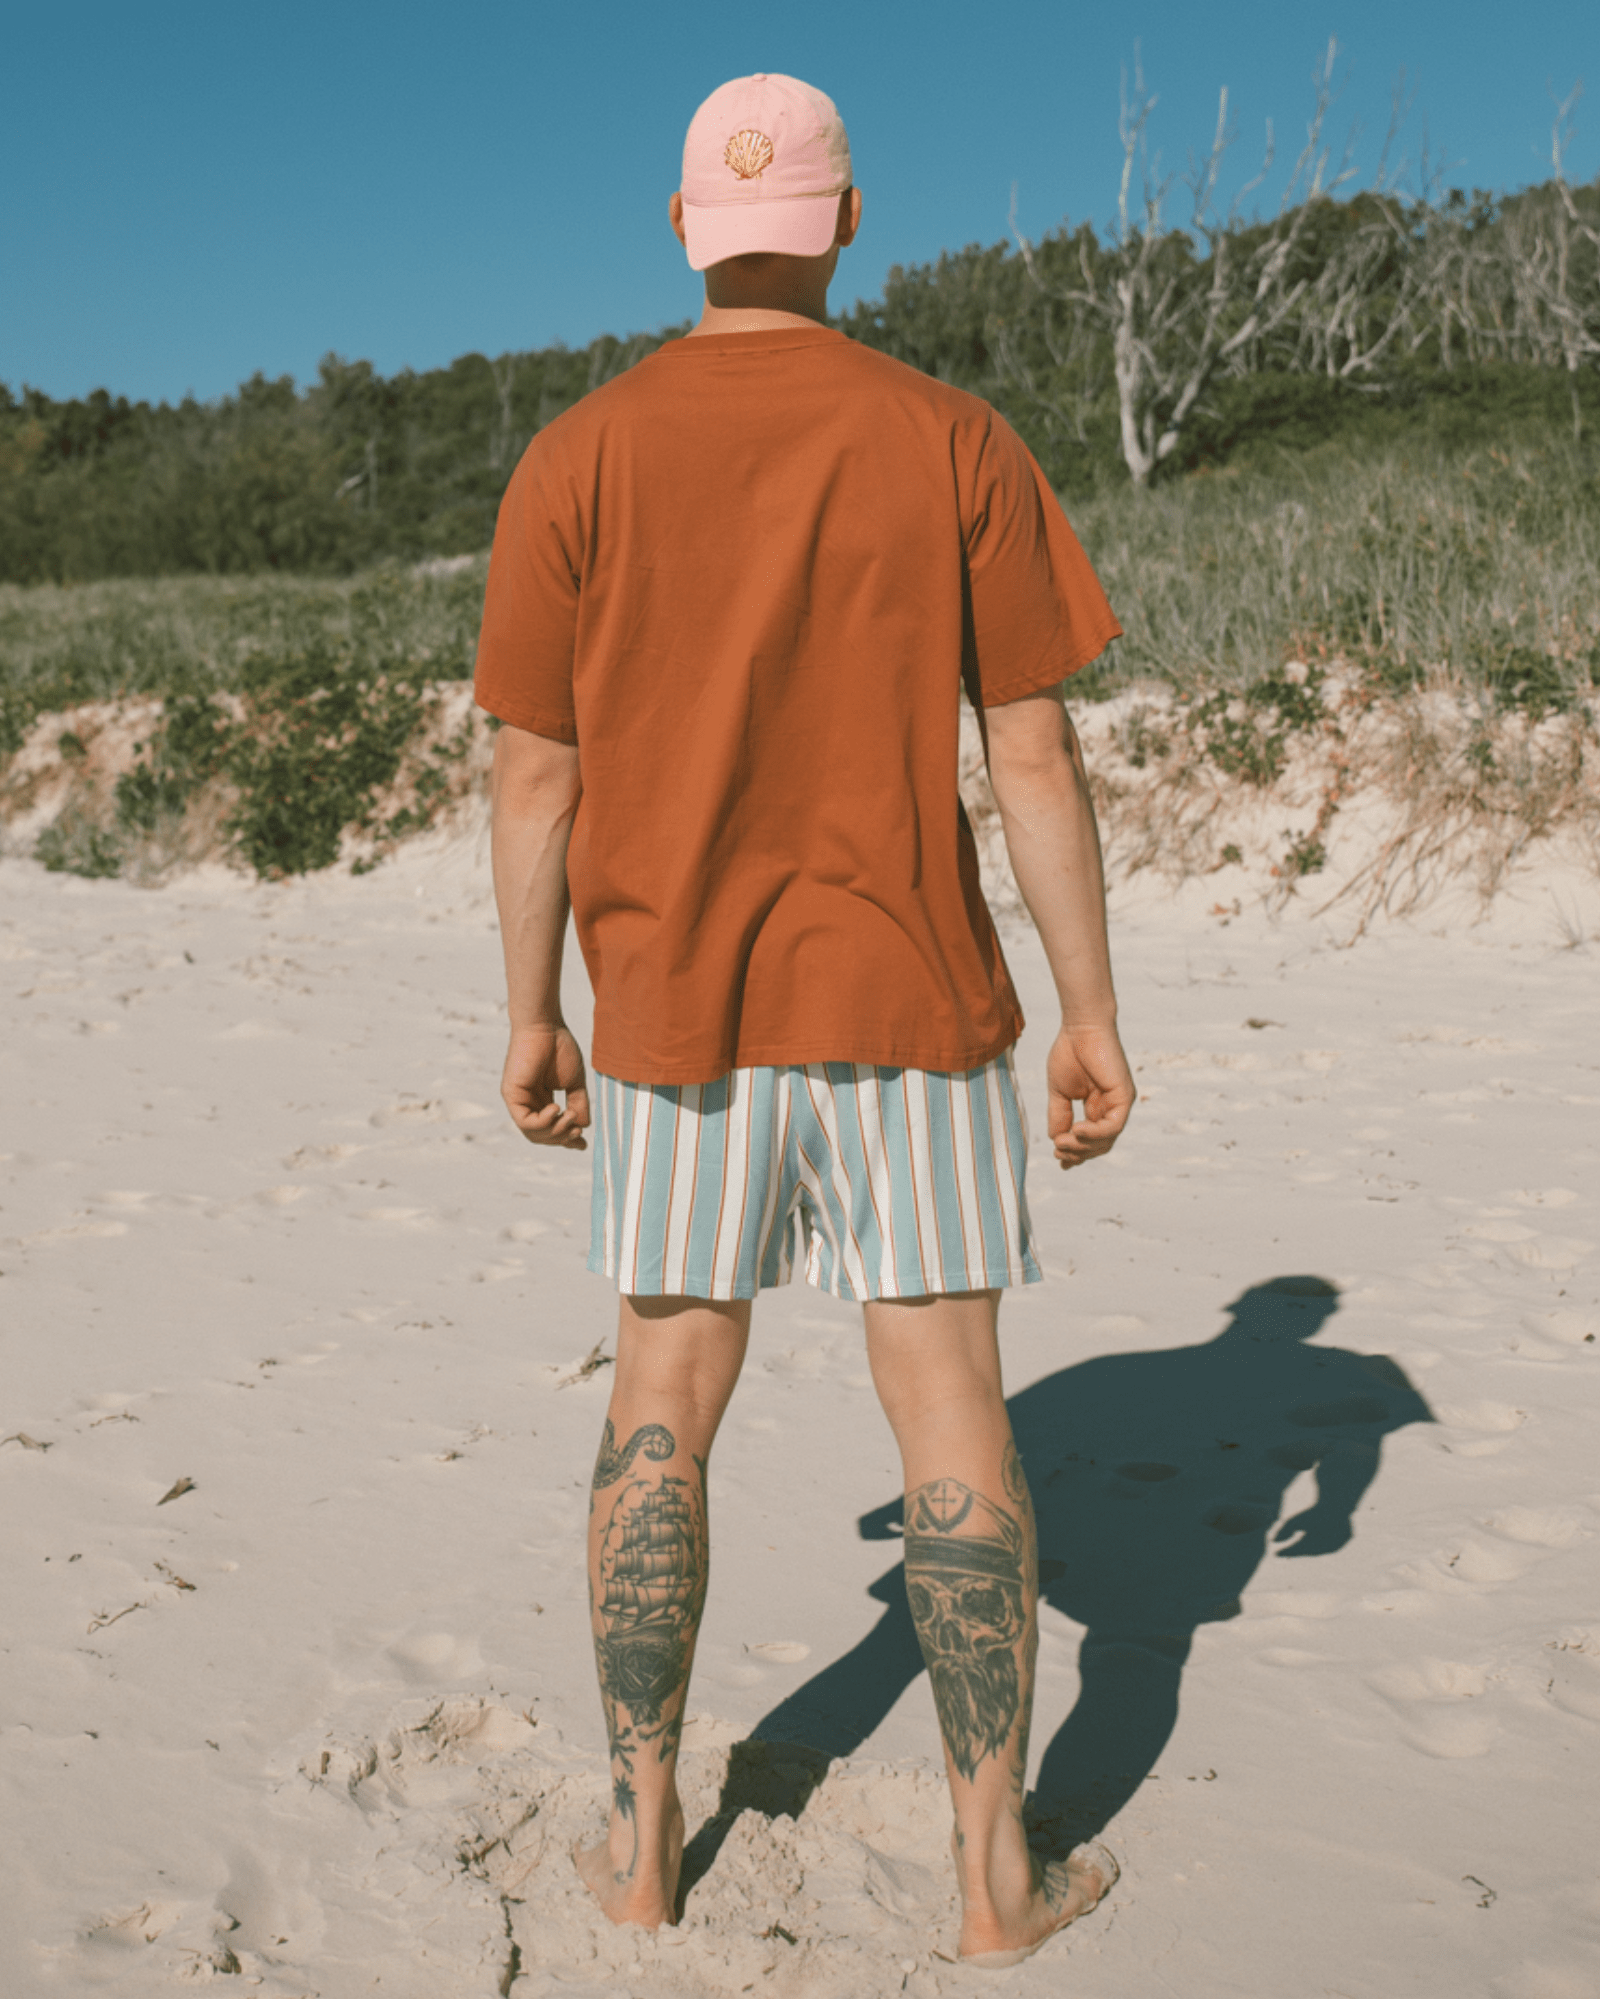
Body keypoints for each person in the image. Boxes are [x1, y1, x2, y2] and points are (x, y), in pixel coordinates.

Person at [474, 71, 1136, 1967]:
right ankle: (996, 1876)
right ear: (849, 224)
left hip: (673, 1007)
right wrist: (1088, 1009)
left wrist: (533, 1011)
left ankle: (638, 1839)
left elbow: (537, 777)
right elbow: (1028, 741)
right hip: (912, 997)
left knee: (660, 1405)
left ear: (681, 226)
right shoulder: (950, 437)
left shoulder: (575, 456)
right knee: (950, 1405)